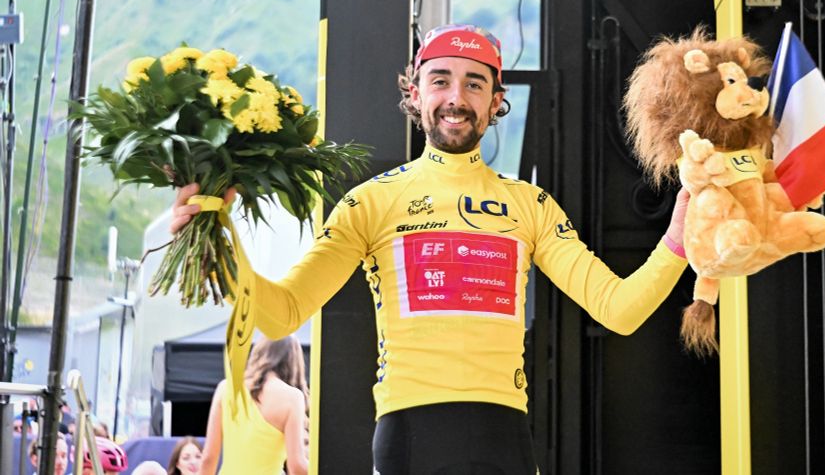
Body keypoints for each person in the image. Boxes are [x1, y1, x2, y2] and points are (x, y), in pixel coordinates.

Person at [171, 24, 689, 473]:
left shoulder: (530, 205)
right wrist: (216, 236)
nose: (456, 98)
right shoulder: (370, 203)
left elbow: (618, 310)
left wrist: (680, 237)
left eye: (474, 83)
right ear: (415, 93)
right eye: (440, 80)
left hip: (505, 436)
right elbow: (283, 312)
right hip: (409, 436)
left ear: (496, 101)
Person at [198, 337, 309, 475]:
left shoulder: (225, 388)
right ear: (293, 361)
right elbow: (296, 467)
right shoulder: (292, 397)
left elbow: (208, 458)